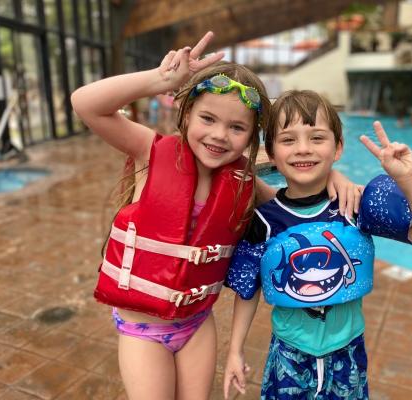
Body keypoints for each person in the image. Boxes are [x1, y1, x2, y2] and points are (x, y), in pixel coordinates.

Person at [71, 33, 360, 400]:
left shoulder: (243, 184)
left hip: (196, 327)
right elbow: (85, 103)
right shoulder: (151, 151)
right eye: (208, 118)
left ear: (251, 137)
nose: (219, 136)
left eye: (237, 128)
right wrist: (160, 81)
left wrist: (331, 174)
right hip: (142, 331)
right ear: (187, 113)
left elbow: (296, 202)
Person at [223, 90, 412, 400]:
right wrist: (235, 350)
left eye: (317, 138)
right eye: (288, 140)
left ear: (338, 148)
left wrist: (409, 178)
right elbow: (249, 289)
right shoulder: (265, 220)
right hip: (288, 353)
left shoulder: (354, 206)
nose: (303, 149)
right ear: (271, 154)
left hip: (348, 354)